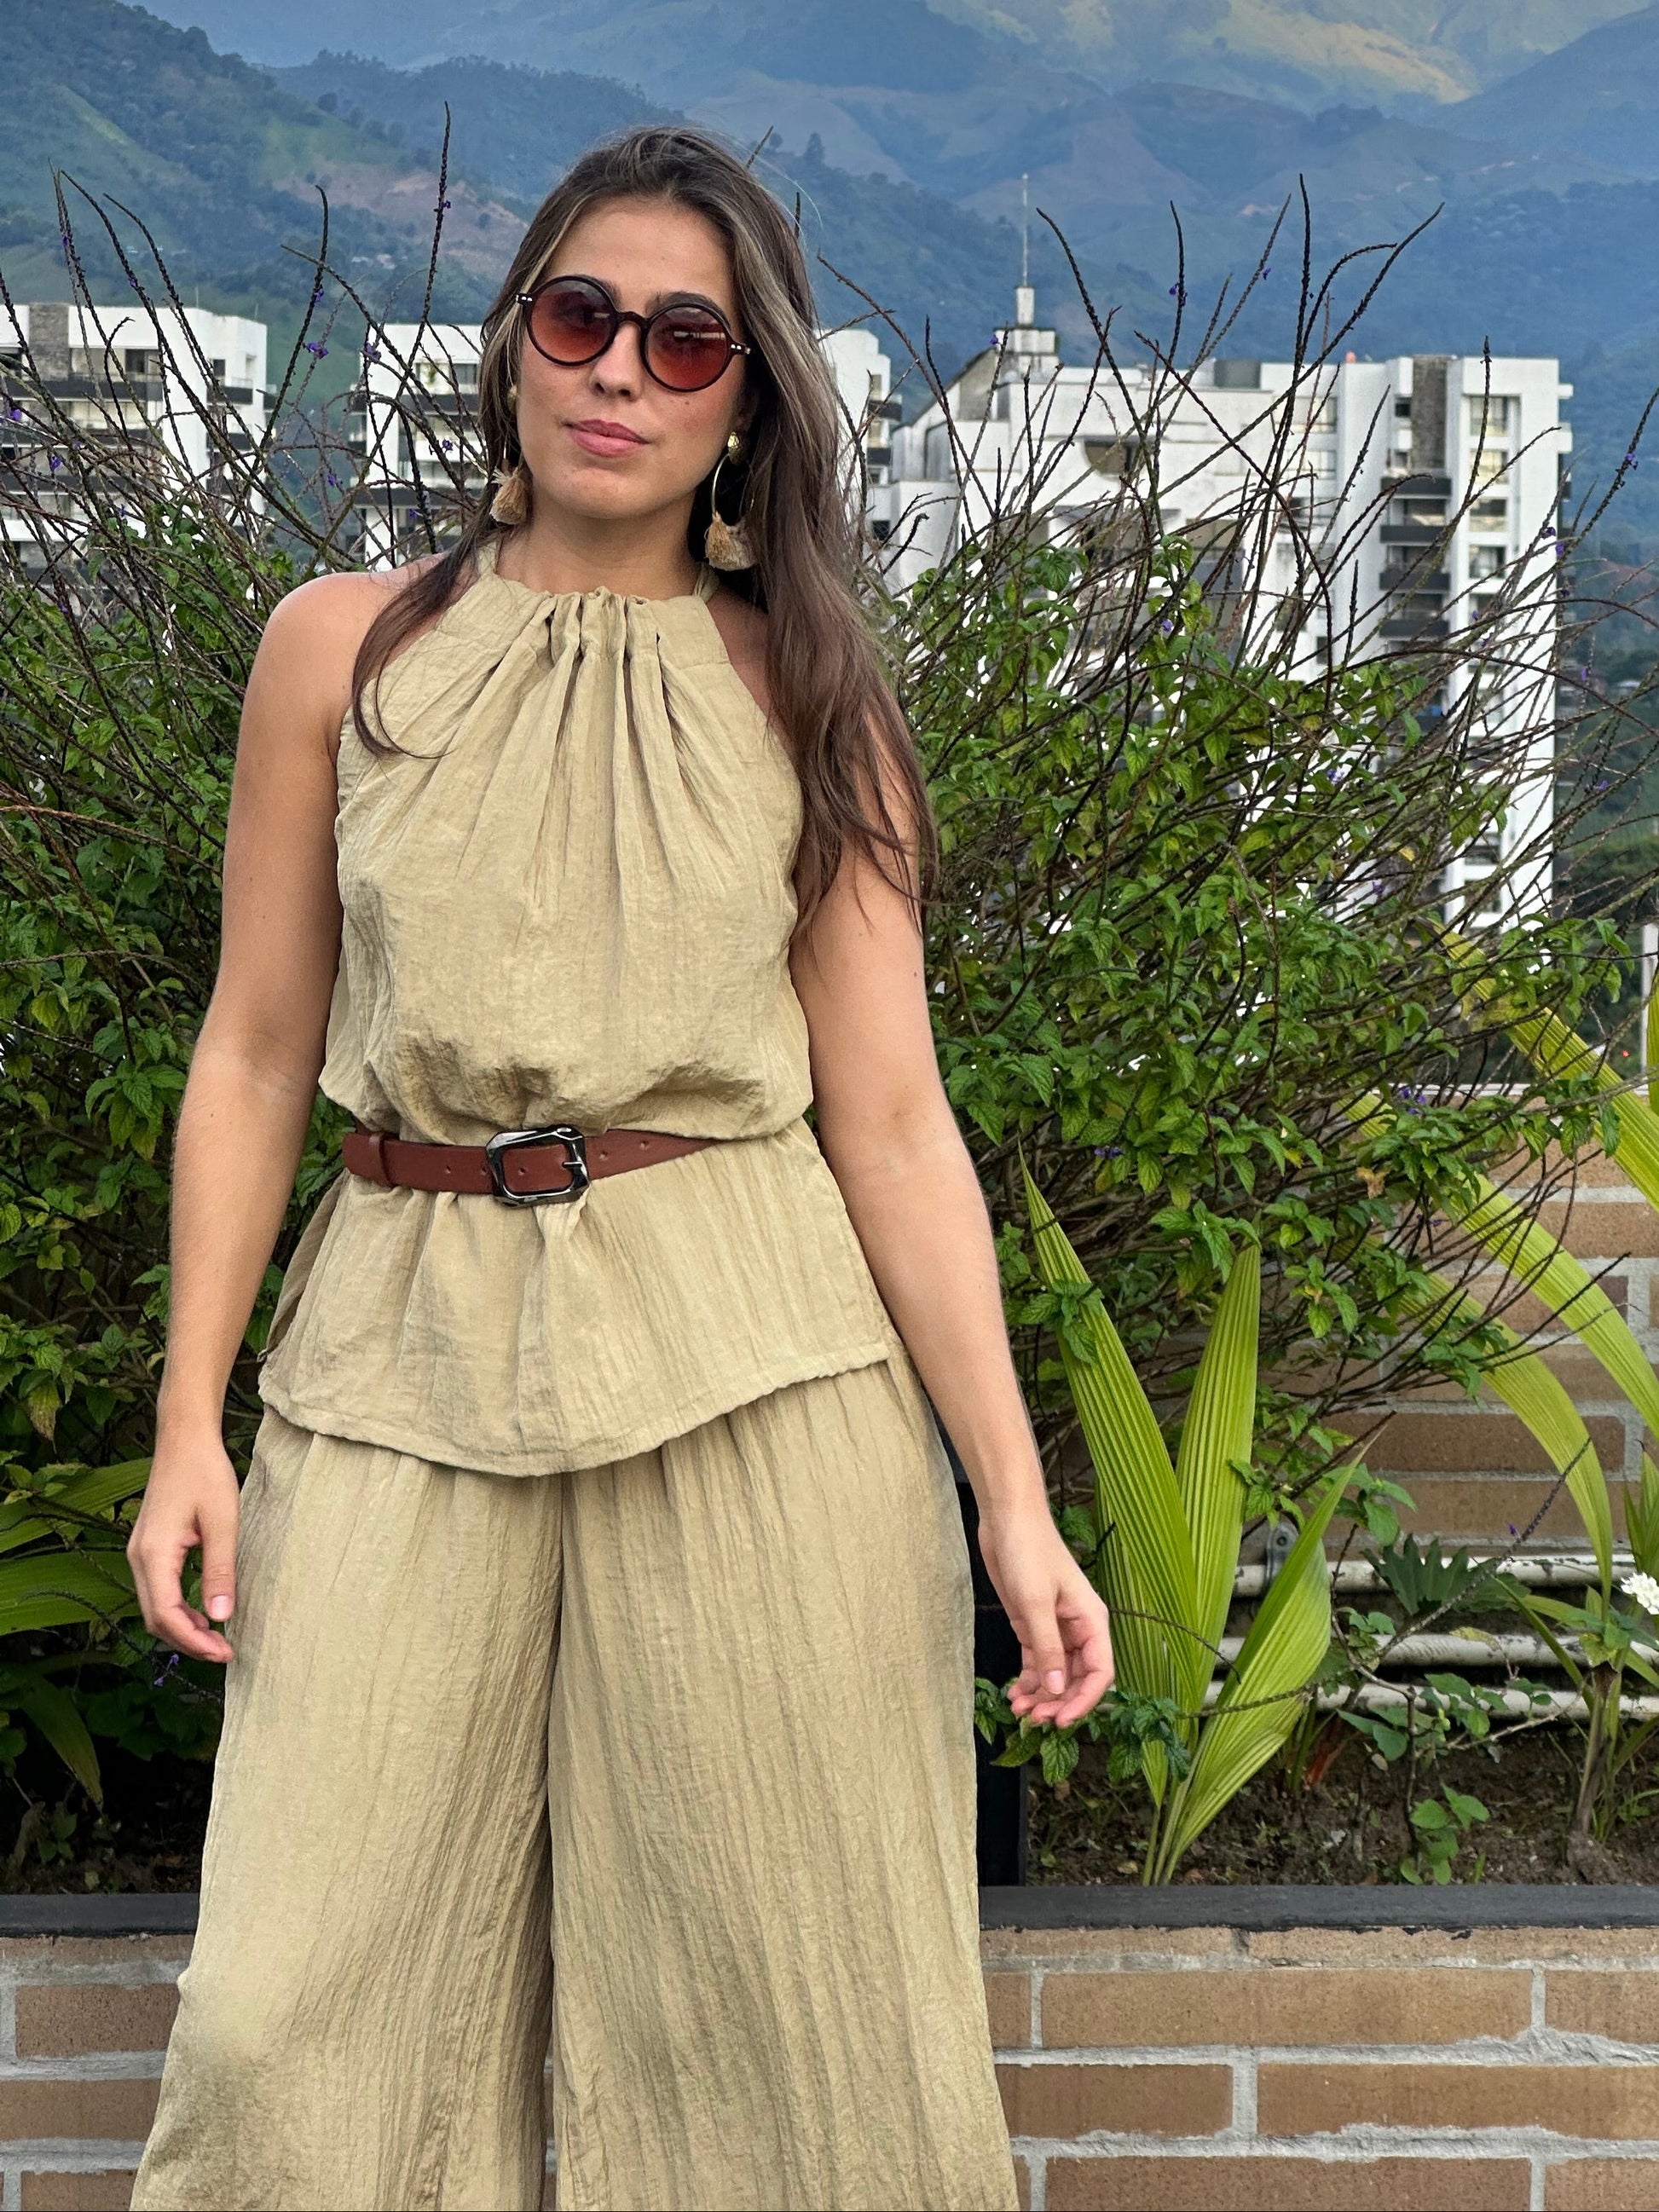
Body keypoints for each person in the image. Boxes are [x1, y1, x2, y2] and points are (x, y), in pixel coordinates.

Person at [125, 124, 1113, 2212]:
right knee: (287, 2018)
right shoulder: (337, 648)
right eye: (581, 317)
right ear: (513, 340)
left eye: (686, 341)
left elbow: (893, 1120)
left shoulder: (812, 695)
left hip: (759, 1366)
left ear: (746, 401)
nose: (618, 373)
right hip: (389, 1356)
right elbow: (257, 1047)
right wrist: (187, 1421)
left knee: (792, 2016)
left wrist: (1013, 1502)